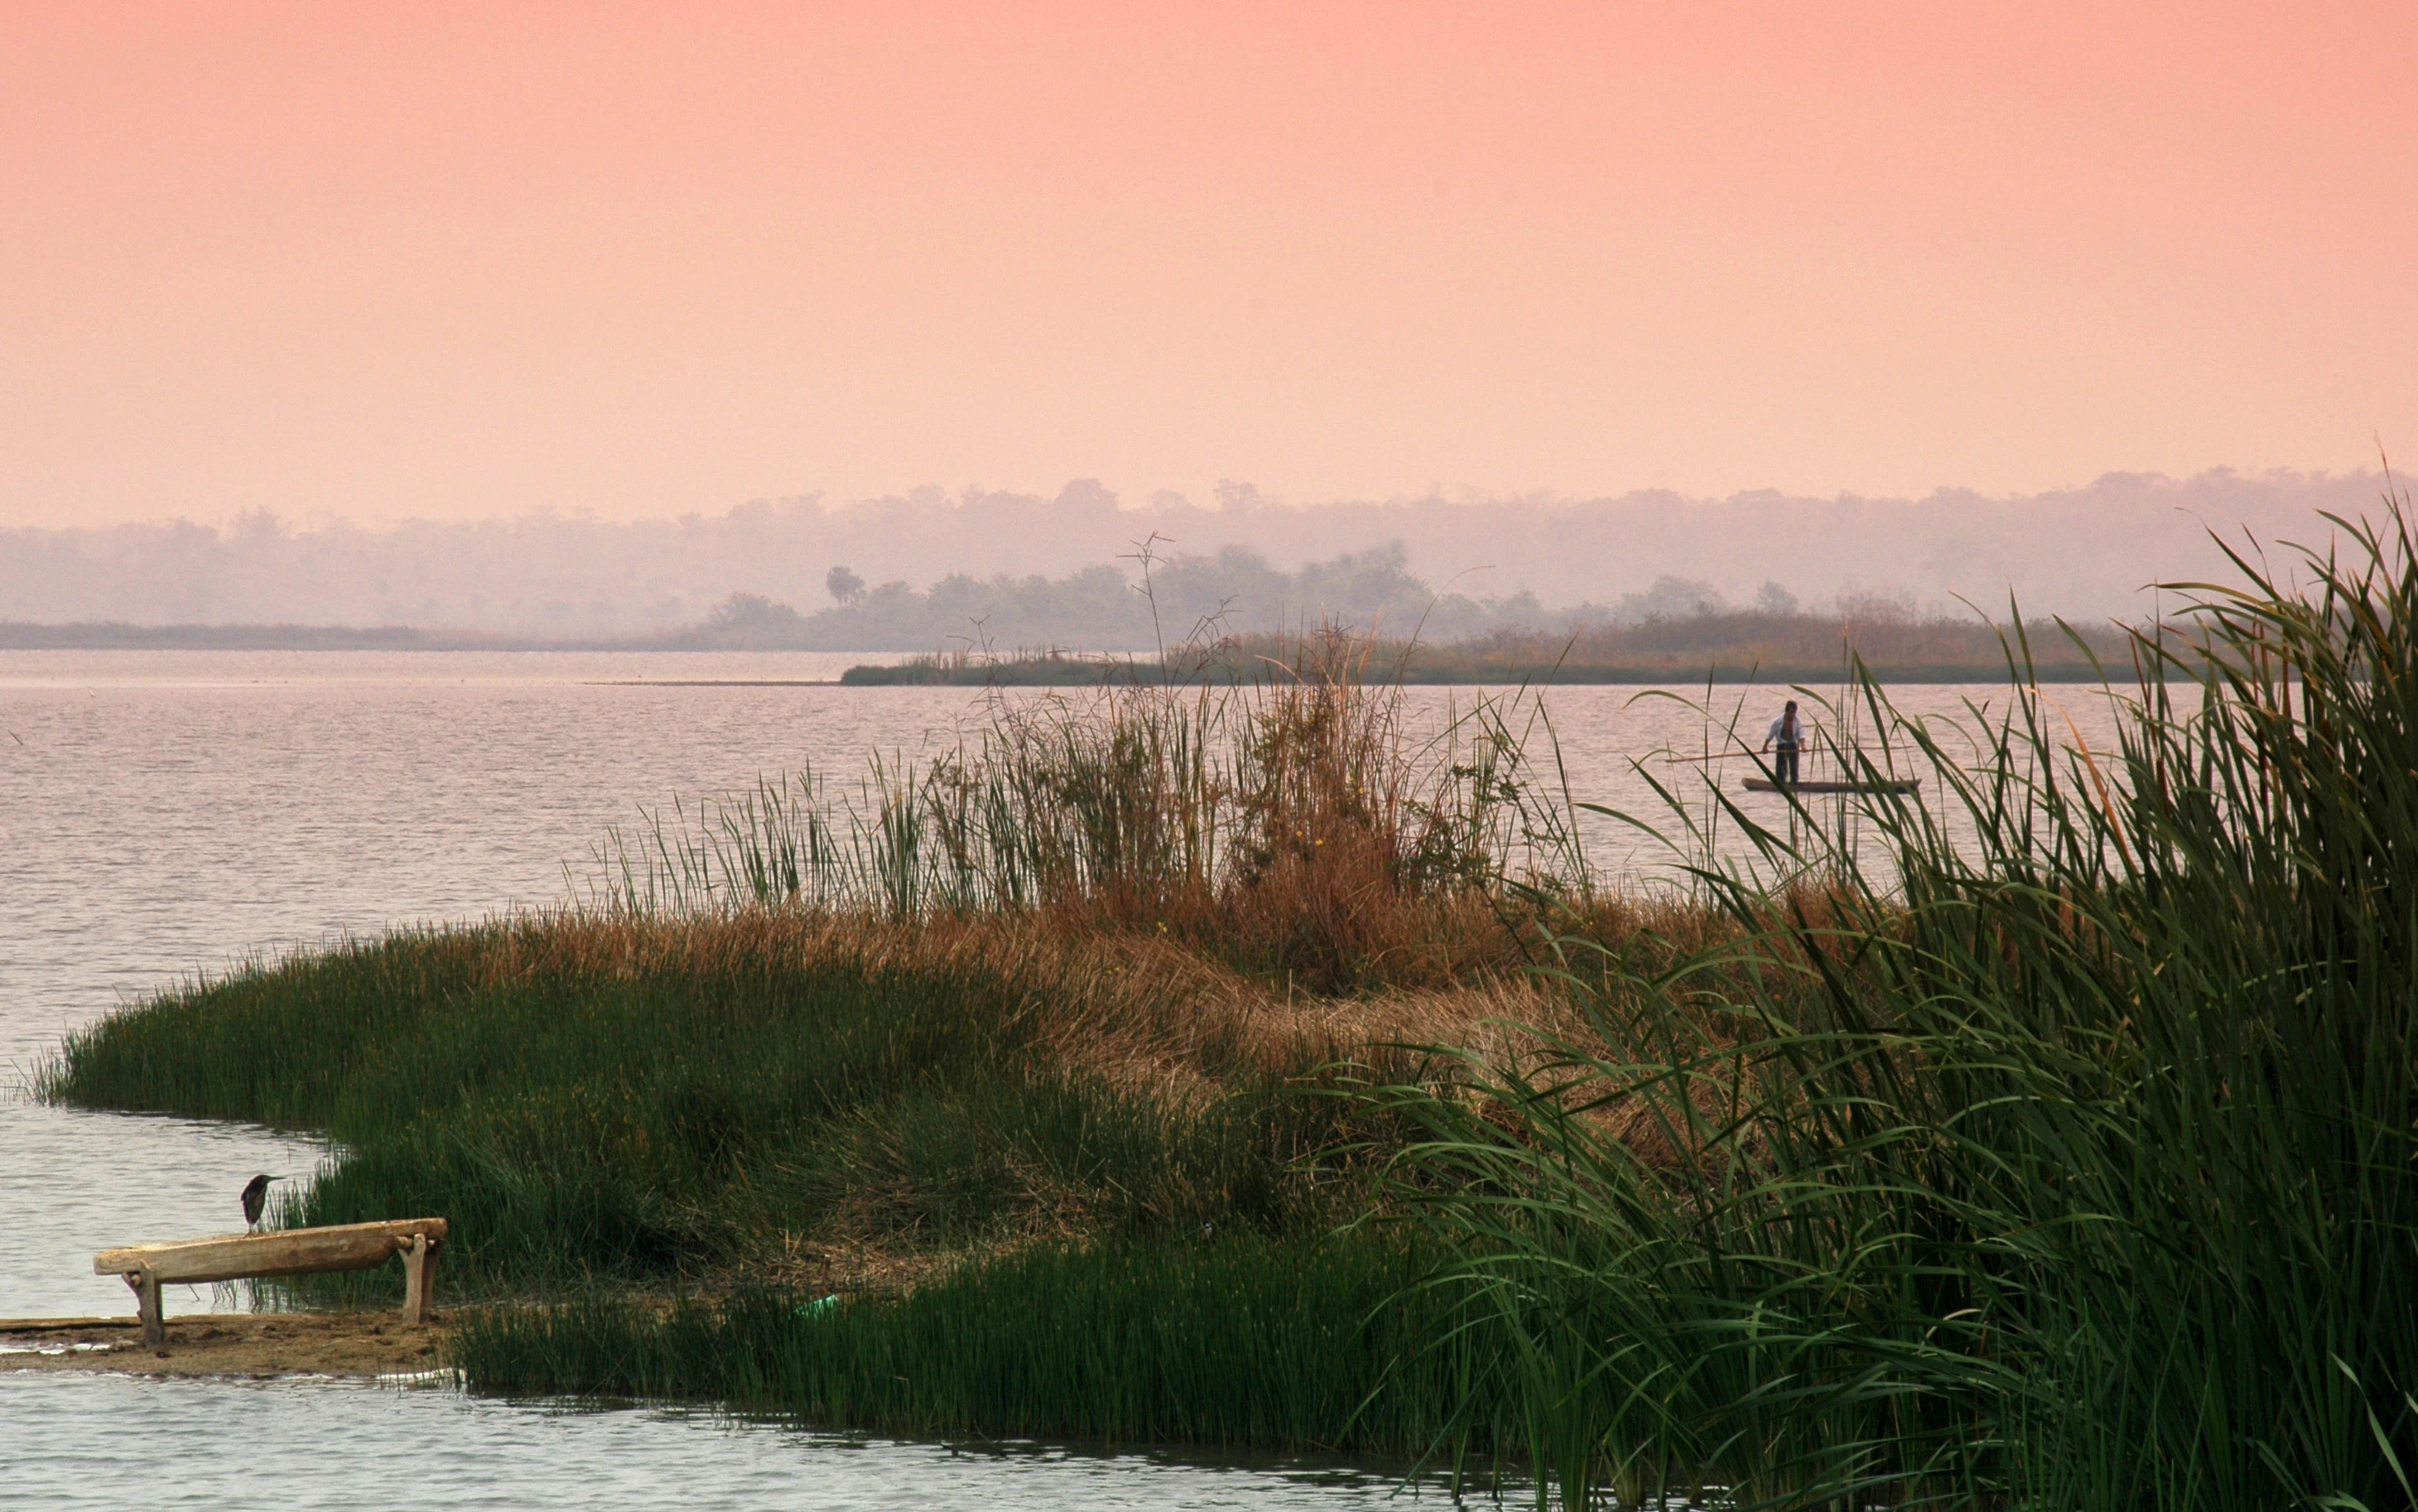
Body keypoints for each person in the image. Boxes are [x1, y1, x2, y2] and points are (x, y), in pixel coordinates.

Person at [1762, 700, 1803, 786]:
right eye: (1791, 712)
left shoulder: (1797, 721)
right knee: (1781, 766)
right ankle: (1781, 783)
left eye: (1794, 712)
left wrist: (1803, 746)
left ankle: (1794, 783)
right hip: (1781, 745)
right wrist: (1765, 746)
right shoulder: (1778, 721)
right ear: (1787, 711)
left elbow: (1801, 734)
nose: (1793, 715)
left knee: (1794, 765)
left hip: (1792, 744)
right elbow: (1771, 734)